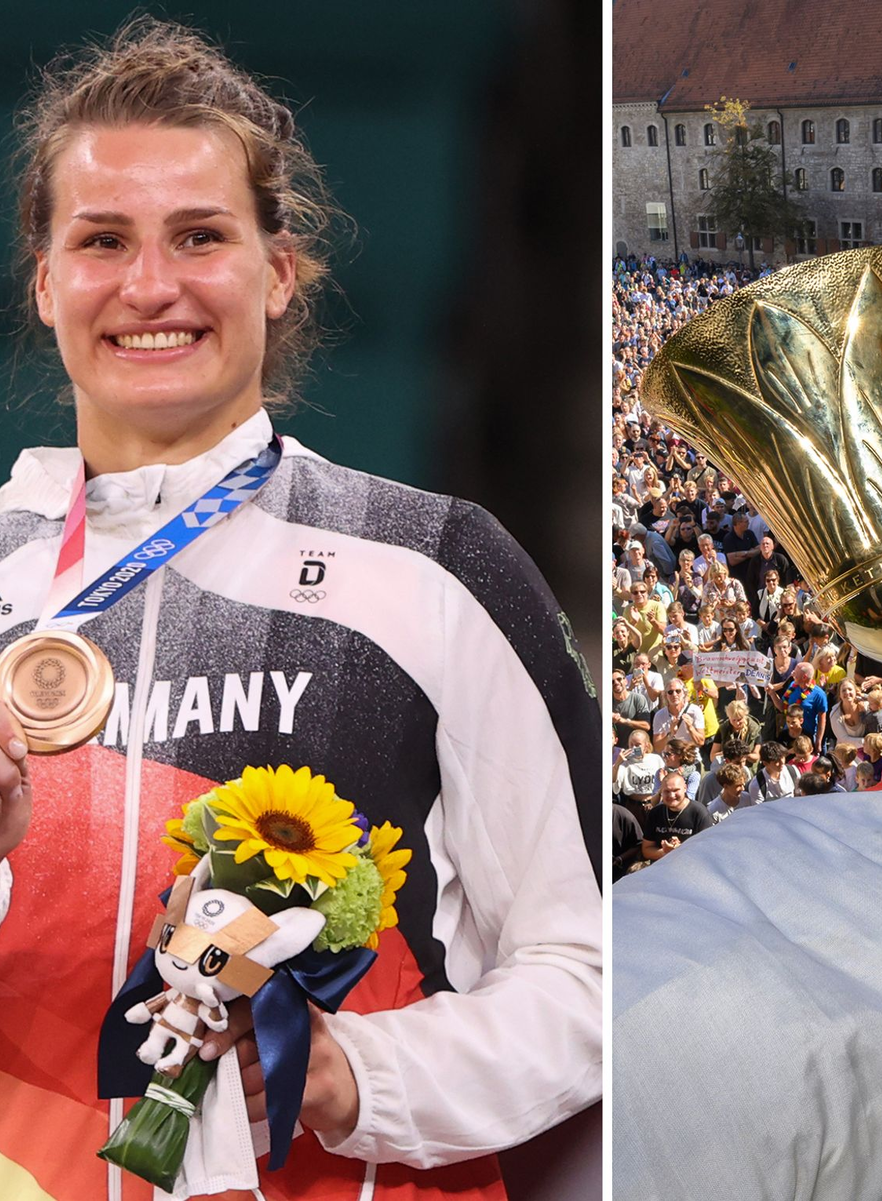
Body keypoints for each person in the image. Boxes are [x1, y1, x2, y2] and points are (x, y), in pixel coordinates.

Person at [0, 22, 600, 1199]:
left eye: (200, 236)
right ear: (46, 278)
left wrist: (356, 1074)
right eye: (104, 240)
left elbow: (583, 968)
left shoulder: (434, 565)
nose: (151, 284)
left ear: (279, 271)